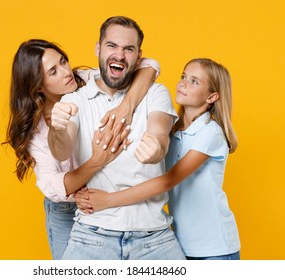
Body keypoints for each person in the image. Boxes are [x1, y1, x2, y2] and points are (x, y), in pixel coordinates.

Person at [4, 39, 160, 259]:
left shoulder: (89, 81)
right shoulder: (37, 130)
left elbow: (149, 65)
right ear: (38, 85)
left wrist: (127, 105)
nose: (66, 72)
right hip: (67, 210)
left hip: (108, 198)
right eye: (53, 72)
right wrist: (98, 161)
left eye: (63, 61)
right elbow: (52, 184)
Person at [48, 16, 185, 260]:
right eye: (111, 46)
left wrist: (156, 147)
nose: (119, 55)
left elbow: (159, 134)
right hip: (92, 234)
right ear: (98, 49)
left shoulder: (155, 92)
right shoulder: (74, 100)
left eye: (128, 49)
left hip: (153, 236)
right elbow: (61, 150)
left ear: (138, 56)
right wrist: (57, 128)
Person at [76, 58, 241, 260]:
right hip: (179, 242)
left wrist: (108, 200)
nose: (183, 83)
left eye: (195, 81)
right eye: (183, 76)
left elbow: (167, 181)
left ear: (212, 97)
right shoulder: (172, 132)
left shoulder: (210, 132)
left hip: (215, 247)